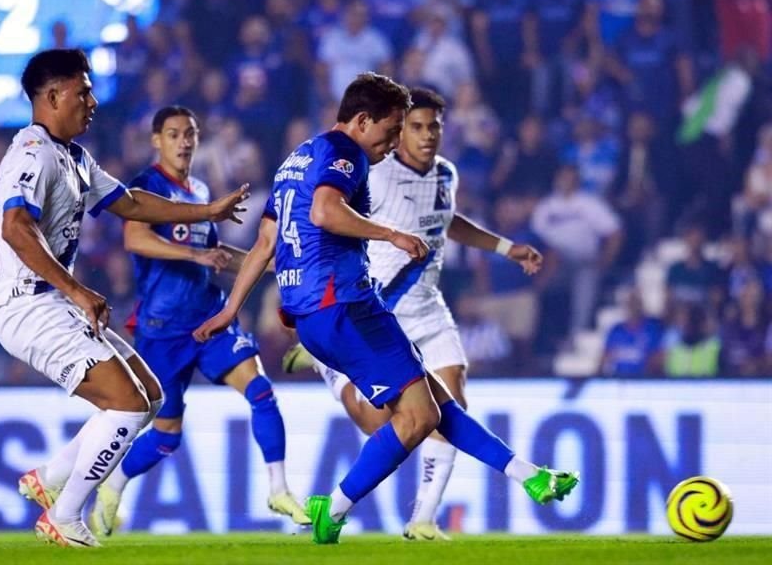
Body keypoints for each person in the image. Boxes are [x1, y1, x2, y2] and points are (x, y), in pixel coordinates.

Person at [194, 73, 579, 544]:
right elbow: (324, 212)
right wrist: (390, 234)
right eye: (392, 129)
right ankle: (332, 508)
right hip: (345, 308)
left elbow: (266, 241)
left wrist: (232, 308)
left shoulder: (298, 158)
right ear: (361, 120)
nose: (394, 141)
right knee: (418, 418)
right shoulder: (345, 153)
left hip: (322, 315)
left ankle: (530, 476)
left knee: (435, 404)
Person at [0, 49, 248, 548]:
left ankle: (49, 479)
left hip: (54, 300)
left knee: (149, 396)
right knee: (128, 405)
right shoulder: (30, 152)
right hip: (29, 305)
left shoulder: (75, 157)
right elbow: (16, 228)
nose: (92, 102)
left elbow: (131, 202)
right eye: (82, 91)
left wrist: (207, 210)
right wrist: (77, 289)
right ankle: (63, 516)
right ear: (52, 96)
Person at [280, 87, 548, 540]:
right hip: (370, 303)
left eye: (434, 126)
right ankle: (328, 368)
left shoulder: (446, 174)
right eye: (416, 127)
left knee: (446, 403)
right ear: (399, 131)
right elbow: (322, 216)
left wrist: (506, 247)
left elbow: (447, 220)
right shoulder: (373, 173)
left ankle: (423, 518)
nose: (427, 136)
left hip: (427, 308)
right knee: (386, 424)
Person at [88, 107, 308, 536]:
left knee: (261, 392)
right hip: (162, 329)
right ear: (157, 140)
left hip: (210, 317)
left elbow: (217, 255)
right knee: (166, 436)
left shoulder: (201, 190)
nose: (184, 142)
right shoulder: (146, 186)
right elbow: (135, 237)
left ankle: (279, 488)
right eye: (173, 134)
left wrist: (266, 264)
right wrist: (195, 255)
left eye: (189, 134)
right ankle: (112, 483)